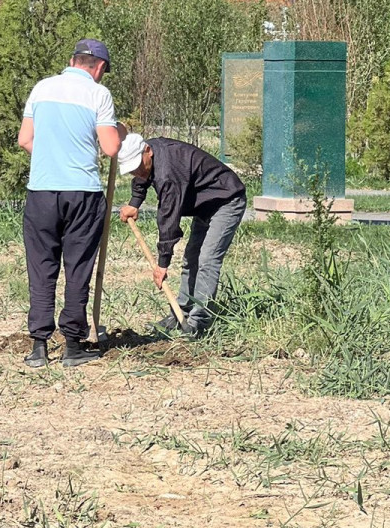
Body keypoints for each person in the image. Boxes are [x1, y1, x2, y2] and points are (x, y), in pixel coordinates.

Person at [16, 38, 127, 368]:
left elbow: (25, 139)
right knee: (77, 268)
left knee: (41, 267)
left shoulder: (42, 88)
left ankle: (39, 346)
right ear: (100, 67)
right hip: (82, 193)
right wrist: (119, 131)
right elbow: (110, 148)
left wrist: (53, 157)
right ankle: (73, 345)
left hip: (42, 191)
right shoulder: (98, 94)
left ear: (72, 60)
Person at [116, 133, 247, 336]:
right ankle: (180, 315)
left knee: (207, 260)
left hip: (226, 201)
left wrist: (163, 263)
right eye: (132, 170)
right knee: (191, 259)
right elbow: (143, 176)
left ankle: (199, 323)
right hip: (204, 205)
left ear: (147, 151)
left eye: (138, 166)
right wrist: (135, 202)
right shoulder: (151, 153)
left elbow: (168, 219)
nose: (137, 172)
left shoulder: (168, 172)